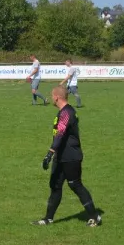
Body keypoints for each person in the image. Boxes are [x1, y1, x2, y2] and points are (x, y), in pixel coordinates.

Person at [32, 86, 101, 227]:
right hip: (61, 155)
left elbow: (60, 133)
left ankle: (94, 216)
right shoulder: (63, 112)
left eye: (52, 96)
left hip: (70, 156)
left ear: (57, 97)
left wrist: (49, 153)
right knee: (55, 186)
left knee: (75, 185)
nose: (52, 98)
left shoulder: (67, 112)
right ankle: (48, 218)